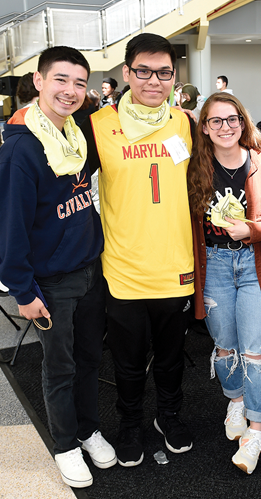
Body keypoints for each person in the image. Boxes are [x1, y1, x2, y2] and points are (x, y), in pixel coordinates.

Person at [0, 46, 116, 489]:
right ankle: (65, 444)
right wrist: (23, 291)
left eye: (80, 83)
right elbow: (9, 231)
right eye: (61, 80)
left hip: (88, 270)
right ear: (39, 81)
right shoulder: (20, 152)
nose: (71, 91)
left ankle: (87, 429)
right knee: (59, 366)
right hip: (51, 281)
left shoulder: (77, 136)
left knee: (88, 358)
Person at [81, 33, 195, 467]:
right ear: (126, 73)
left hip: (175, 265)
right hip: (123, 267)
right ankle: (130, 423)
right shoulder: (98, 125)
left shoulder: (184, 122)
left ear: (172, 77)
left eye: (163, 72)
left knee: (170, 359)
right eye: (143, 71)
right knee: (128, 363)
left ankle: (169, 415)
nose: (153, 81)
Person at [188, 93, 261, 474]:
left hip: (256, 265)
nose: (225, 127)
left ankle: (256, 431)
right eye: (215, 121)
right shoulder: (193, 169)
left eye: (232, 119)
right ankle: (235, 400)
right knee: (224, 348)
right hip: (214, 266)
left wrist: (250, 229)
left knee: (256, 354)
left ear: (243, 121)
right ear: (204, 127)